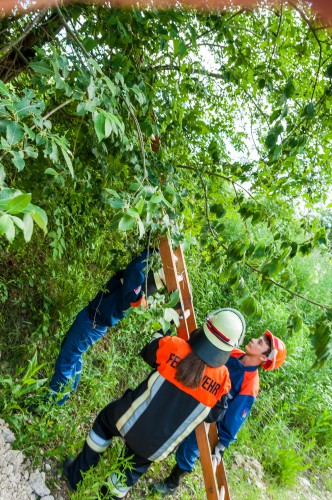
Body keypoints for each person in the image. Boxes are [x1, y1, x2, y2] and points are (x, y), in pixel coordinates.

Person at [62, 308, 247, 498]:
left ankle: (76, 476)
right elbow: (214, 415)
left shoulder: (175, 346)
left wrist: (165, 325)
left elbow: (149, 352)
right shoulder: (223, 379)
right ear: (231, 347)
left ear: (207, 325)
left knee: (104, 423)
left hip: (129, 419)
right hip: (157, 446)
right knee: (129, 472)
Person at [152, 329, 287, 494]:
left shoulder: (250, 384)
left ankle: (171, 484)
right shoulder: (235, 354)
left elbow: (235, 416)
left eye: (260, 343)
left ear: (264, 357)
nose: (253, 340)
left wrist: (222, 443)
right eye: (258, 338)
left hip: (212, 417)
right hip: (198, 396)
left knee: (190, 448)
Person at [49, 248, 165, 405]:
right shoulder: (137, 294)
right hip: (93, 321)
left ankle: (52, 402)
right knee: (72, 354)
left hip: (92, 323)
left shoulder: (134, 294)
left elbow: (134, 271)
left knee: (67, 359)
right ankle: (68, 389)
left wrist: (150, 251)